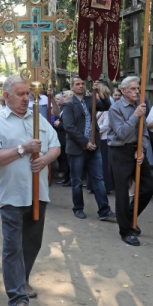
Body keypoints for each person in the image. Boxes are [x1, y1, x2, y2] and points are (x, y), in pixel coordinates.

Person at [0, 75, 60, 306]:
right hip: (12, 195)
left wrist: (45, 159)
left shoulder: (39, 119)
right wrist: (22, 150)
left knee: (32, 243)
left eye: (28, 93)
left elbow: (55, 146)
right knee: (13, 247)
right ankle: (18, 301)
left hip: (39, 194)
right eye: (21, 94)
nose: (27, 98)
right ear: (6, 96)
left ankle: (22, 279)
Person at [107, 76, 153, 246]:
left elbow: (144, 131)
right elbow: (121, 133)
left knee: (148, 187)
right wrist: (135, 116)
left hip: (137, 152)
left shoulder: (140, 105)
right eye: (133, 89)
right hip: (120, 151)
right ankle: (125, 230)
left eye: (138, 89)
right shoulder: (115, 109)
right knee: (122, 193)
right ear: (123, 90)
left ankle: (128, 217)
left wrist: (141, 149)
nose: (137, 92)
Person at [62, 77, 115, 221]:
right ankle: (78, 208)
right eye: (77, 84)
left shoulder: (90, 100)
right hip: (78, 148)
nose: (81, 86)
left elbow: (106, 106)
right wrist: (85, 142)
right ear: (72, 87)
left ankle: (104, 210)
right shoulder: (68, 105)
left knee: (98, 178)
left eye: (83, 84)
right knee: (77, 180)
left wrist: (100, 93)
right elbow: (69, 127)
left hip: (94, 146)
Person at [96, 85, 114, 194]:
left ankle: (106, 187)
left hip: (104, 138)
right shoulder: (99, 107)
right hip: (99, 138)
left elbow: (106, 125)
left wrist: (96, 131)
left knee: (104, 164)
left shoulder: (107, 109)